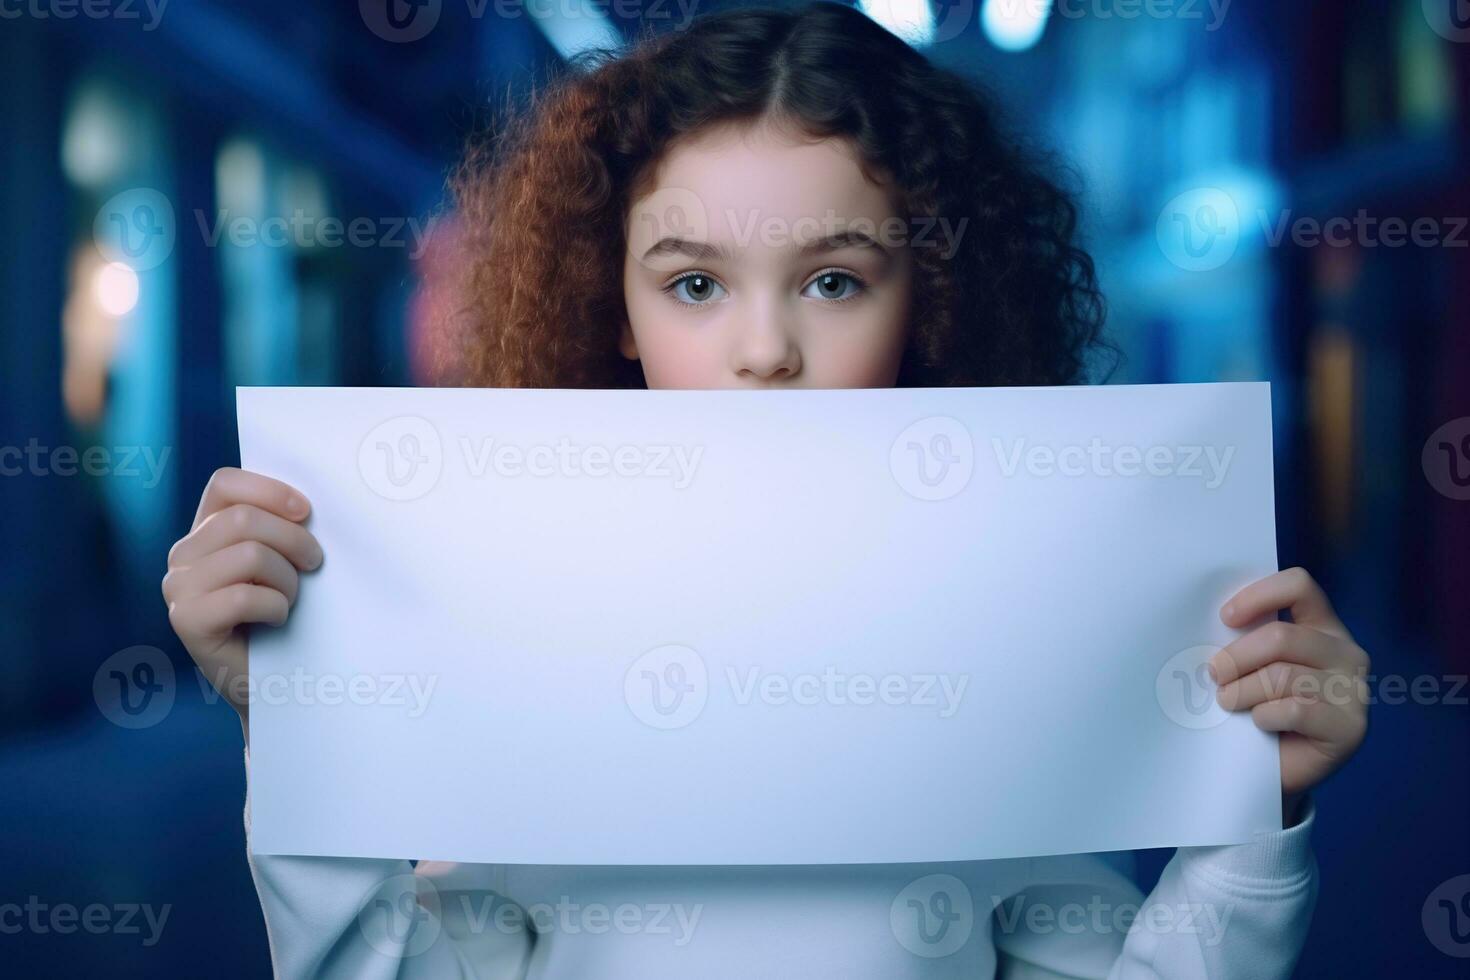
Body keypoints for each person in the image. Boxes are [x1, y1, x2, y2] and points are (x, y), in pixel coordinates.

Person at [161, 4, 1369, 976]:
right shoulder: (513, 641)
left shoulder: (1007, 648)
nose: (765, 350)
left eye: (835, 281)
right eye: (695, 285)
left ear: (931, 305)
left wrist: (1246, 821)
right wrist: (311, 721)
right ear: (614, 310)